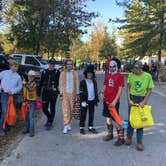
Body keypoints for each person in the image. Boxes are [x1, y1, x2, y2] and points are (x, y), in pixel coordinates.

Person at [126, 61, 154, 151]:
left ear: (138, 68)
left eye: (133, 68)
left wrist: (144, 101)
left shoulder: (147, 76)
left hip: (142, 99)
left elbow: (149, 90)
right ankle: (129, 137)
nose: (132, 70)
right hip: (132, 98)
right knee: (131, 119)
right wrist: (129, 99)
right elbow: (128, 88)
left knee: (140, 121)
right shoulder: (131, 75)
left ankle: (139, 142)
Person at [100, 59, 125, 146]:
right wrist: (101, 92)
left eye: (113, 66)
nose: (112, 68)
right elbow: (105, 85)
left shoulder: (120, 76)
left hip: (114, 102)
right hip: (106, 100)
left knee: (116, 120)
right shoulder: (107, 76)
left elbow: (120, 89)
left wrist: (115, 101)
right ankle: (110, 134)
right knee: (108, 118)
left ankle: (121, 138)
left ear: (116, 66)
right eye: (110, 67)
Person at [0, 60, 22, 136]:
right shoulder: (4, 73)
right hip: (4, 95)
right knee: (4, 111)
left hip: (13, 96)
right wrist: (0, 87)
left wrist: (13, 91)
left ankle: (8, 125)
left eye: (17, 67)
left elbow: (19, 87)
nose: (16, 68)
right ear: (10, 66)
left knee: (11, 111)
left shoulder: (18, 77)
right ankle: (1, 128)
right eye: (14, 66)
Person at [38, 59, 60, 130]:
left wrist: (58, 90)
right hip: (45, 92)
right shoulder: (44, 72)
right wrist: (38, 92)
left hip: (53, 93)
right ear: (48, 64)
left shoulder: (57, 72)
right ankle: (49, 117)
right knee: (44, 108)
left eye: (53, 63)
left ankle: (50, 122)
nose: (52, 65)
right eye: (50, 63)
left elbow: (60, 82)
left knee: (52, 107)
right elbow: (41, 82)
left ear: (55, 64)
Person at [59, 59, 79, 134]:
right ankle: (65, 125)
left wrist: (77, 94)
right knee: (65, 110)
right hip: (65, 93)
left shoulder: (75, 73)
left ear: (72, 65)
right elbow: (60, 83)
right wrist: (61, 93)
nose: (69, 65)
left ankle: (69, 122)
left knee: (71, 109)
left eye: (71, 64)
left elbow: (77, 83)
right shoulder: (62, 73)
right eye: (68, 64)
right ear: (66, 65)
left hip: (73, 93)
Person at [79, 65, 99, 135]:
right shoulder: (83, 82)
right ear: (86, 74)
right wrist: (82, 101)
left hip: (92, 101)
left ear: (93, 74)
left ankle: (90, 127)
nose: (89, 74)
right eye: (88, 73)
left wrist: (97, 100)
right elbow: (81, 93)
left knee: (91, 115)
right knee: (83, 114)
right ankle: (81, 127)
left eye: (91, 73)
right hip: (85, 101)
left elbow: (95, 91)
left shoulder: (94, 81)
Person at [22, 70, 37, 137]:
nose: (30, 77)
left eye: (32, 76)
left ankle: (31, 131)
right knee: (27, 116)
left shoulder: (34, 84)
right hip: (27, 101)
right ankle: (27, 128)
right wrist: (24, 101)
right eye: (29, 76)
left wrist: (24, 84)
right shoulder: (27, 83)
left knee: (31, 117)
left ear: (34, 77)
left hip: (32, 102)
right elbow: (24, 93)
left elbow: (30, 89)